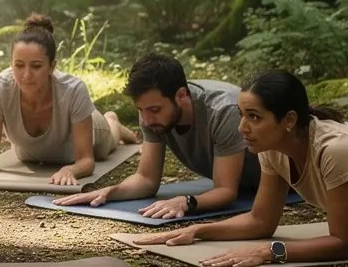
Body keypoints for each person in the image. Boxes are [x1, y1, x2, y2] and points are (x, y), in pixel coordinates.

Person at [133, 70, 348, 267]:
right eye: (242, 115)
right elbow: (261, 220)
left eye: (254, 117)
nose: (242, 128)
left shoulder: (336, 150)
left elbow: (343, 244)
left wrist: (270, 251)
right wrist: (198, 230)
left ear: (288, 120)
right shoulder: (273, 147)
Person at [57, 53, 257, 218]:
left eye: (153, 109)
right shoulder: (151, 111)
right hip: (245, 184)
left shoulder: (223, 111)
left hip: (280, 183)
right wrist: (110, 192)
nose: (145, 120)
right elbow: (146, 178)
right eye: (141, 110)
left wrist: (187, 202)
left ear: (181, 96)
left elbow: (226, 191)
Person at [0, 15, 137, 186]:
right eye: (19, 65)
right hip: (33, 153)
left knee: (106, 144)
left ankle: (113, 122)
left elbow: (86, 161)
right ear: (11, 63)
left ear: (52, 66)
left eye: (36, 66)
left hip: (94, 130)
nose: (26, 75)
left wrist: (71, 170)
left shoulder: (73, 90)